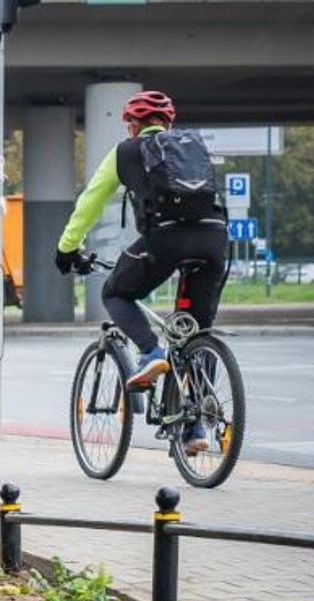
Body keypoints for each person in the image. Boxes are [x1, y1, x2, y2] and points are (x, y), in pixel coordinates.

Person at [54, 90, 228, 455]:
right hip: (214, 241)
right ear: (168, 123)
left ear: (132, 126)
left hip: (166, 241)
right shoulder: (192, 147)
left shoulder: (125, 152)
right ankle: (195, 426)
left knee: (115, 292)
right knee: (195, 331)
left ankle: (150, 353)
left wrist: (67, 249)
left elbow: (90, 202)